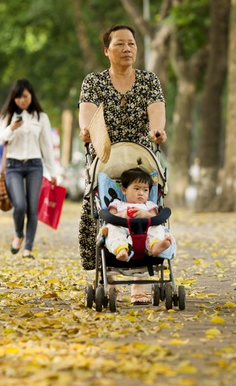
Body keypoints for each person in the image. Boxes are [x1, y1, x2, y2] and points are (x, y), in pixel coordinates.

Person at [78, 24, 168, 302]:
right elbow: (88, 117)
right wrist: (87, 132)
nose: (127, 49)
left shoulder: (148, 80)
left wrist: (158, 131)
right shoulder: (93, 82)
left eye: (131, 44)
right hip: (104, 158)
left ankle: (140, 282)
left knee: (145, 214)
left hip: (139, 158)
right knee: (103, 215)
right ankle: (108, 278)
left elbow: (157, 112)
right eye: (119, 44)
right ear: (106, 51)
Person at [0, 79, 58, 260]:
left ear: (31, 96)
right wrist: (11, 129)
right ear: (13, 98)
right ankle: (18, 234)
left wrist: (53, 172)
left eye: (25, 96)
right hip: (13, 165)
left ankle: (28, 248)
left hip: (34, 166)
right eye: (18, 97)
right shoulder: (7, 116)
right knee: (20, 205)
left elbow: (47, 146)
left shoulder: (41, 117)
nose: (22, 100)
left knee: (32, 208)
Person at [103, 168, 174, 262]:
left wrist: (145, 214)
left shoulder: (149, 205)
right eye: (136, 189)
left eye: (145, 190)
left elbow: (155, 218)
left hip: (145, 232)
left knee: (157, 226)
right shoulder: (117, 204)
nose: (141, 193)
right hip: (123, 230)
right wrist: (122, 215)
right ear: (124, 190)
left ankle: (156, 245)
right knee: (112, 228)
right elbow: (110, 217)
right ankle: (122, 250)